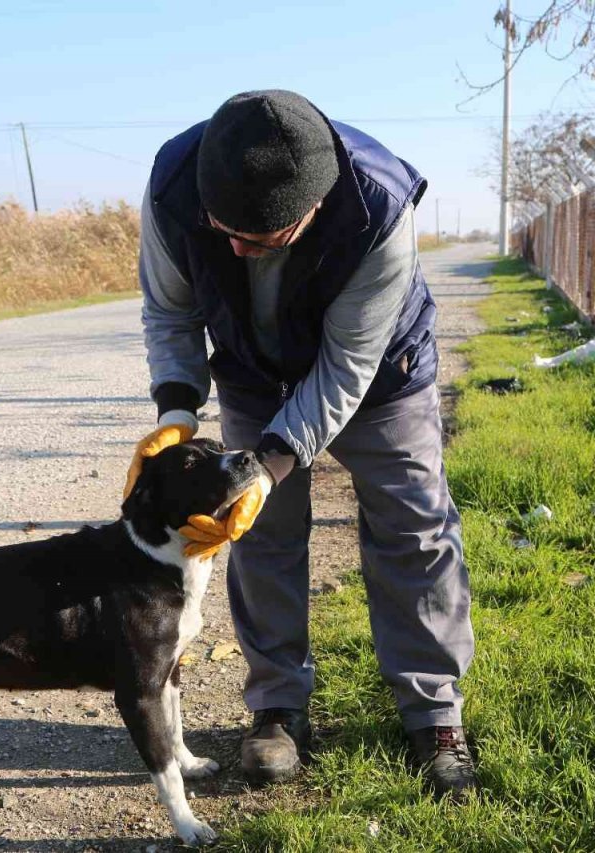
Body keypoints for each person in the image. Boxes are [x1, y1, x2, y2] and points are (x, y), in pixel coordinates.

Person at [124, 89, 475, 799]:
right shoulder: (172, 186)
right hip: (254, 374)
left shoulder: (380, 207)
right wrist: (178, 409)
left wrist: (273, 463)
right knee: (262, 534)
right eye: (224, 230)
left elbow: (347, 366)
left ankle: (433, 714)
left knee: (413, 527)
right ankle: (278, 708)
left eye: (258, 239)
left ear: (313, 207)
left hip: (381, 379)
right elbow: (169, 310)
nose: (235, 249)